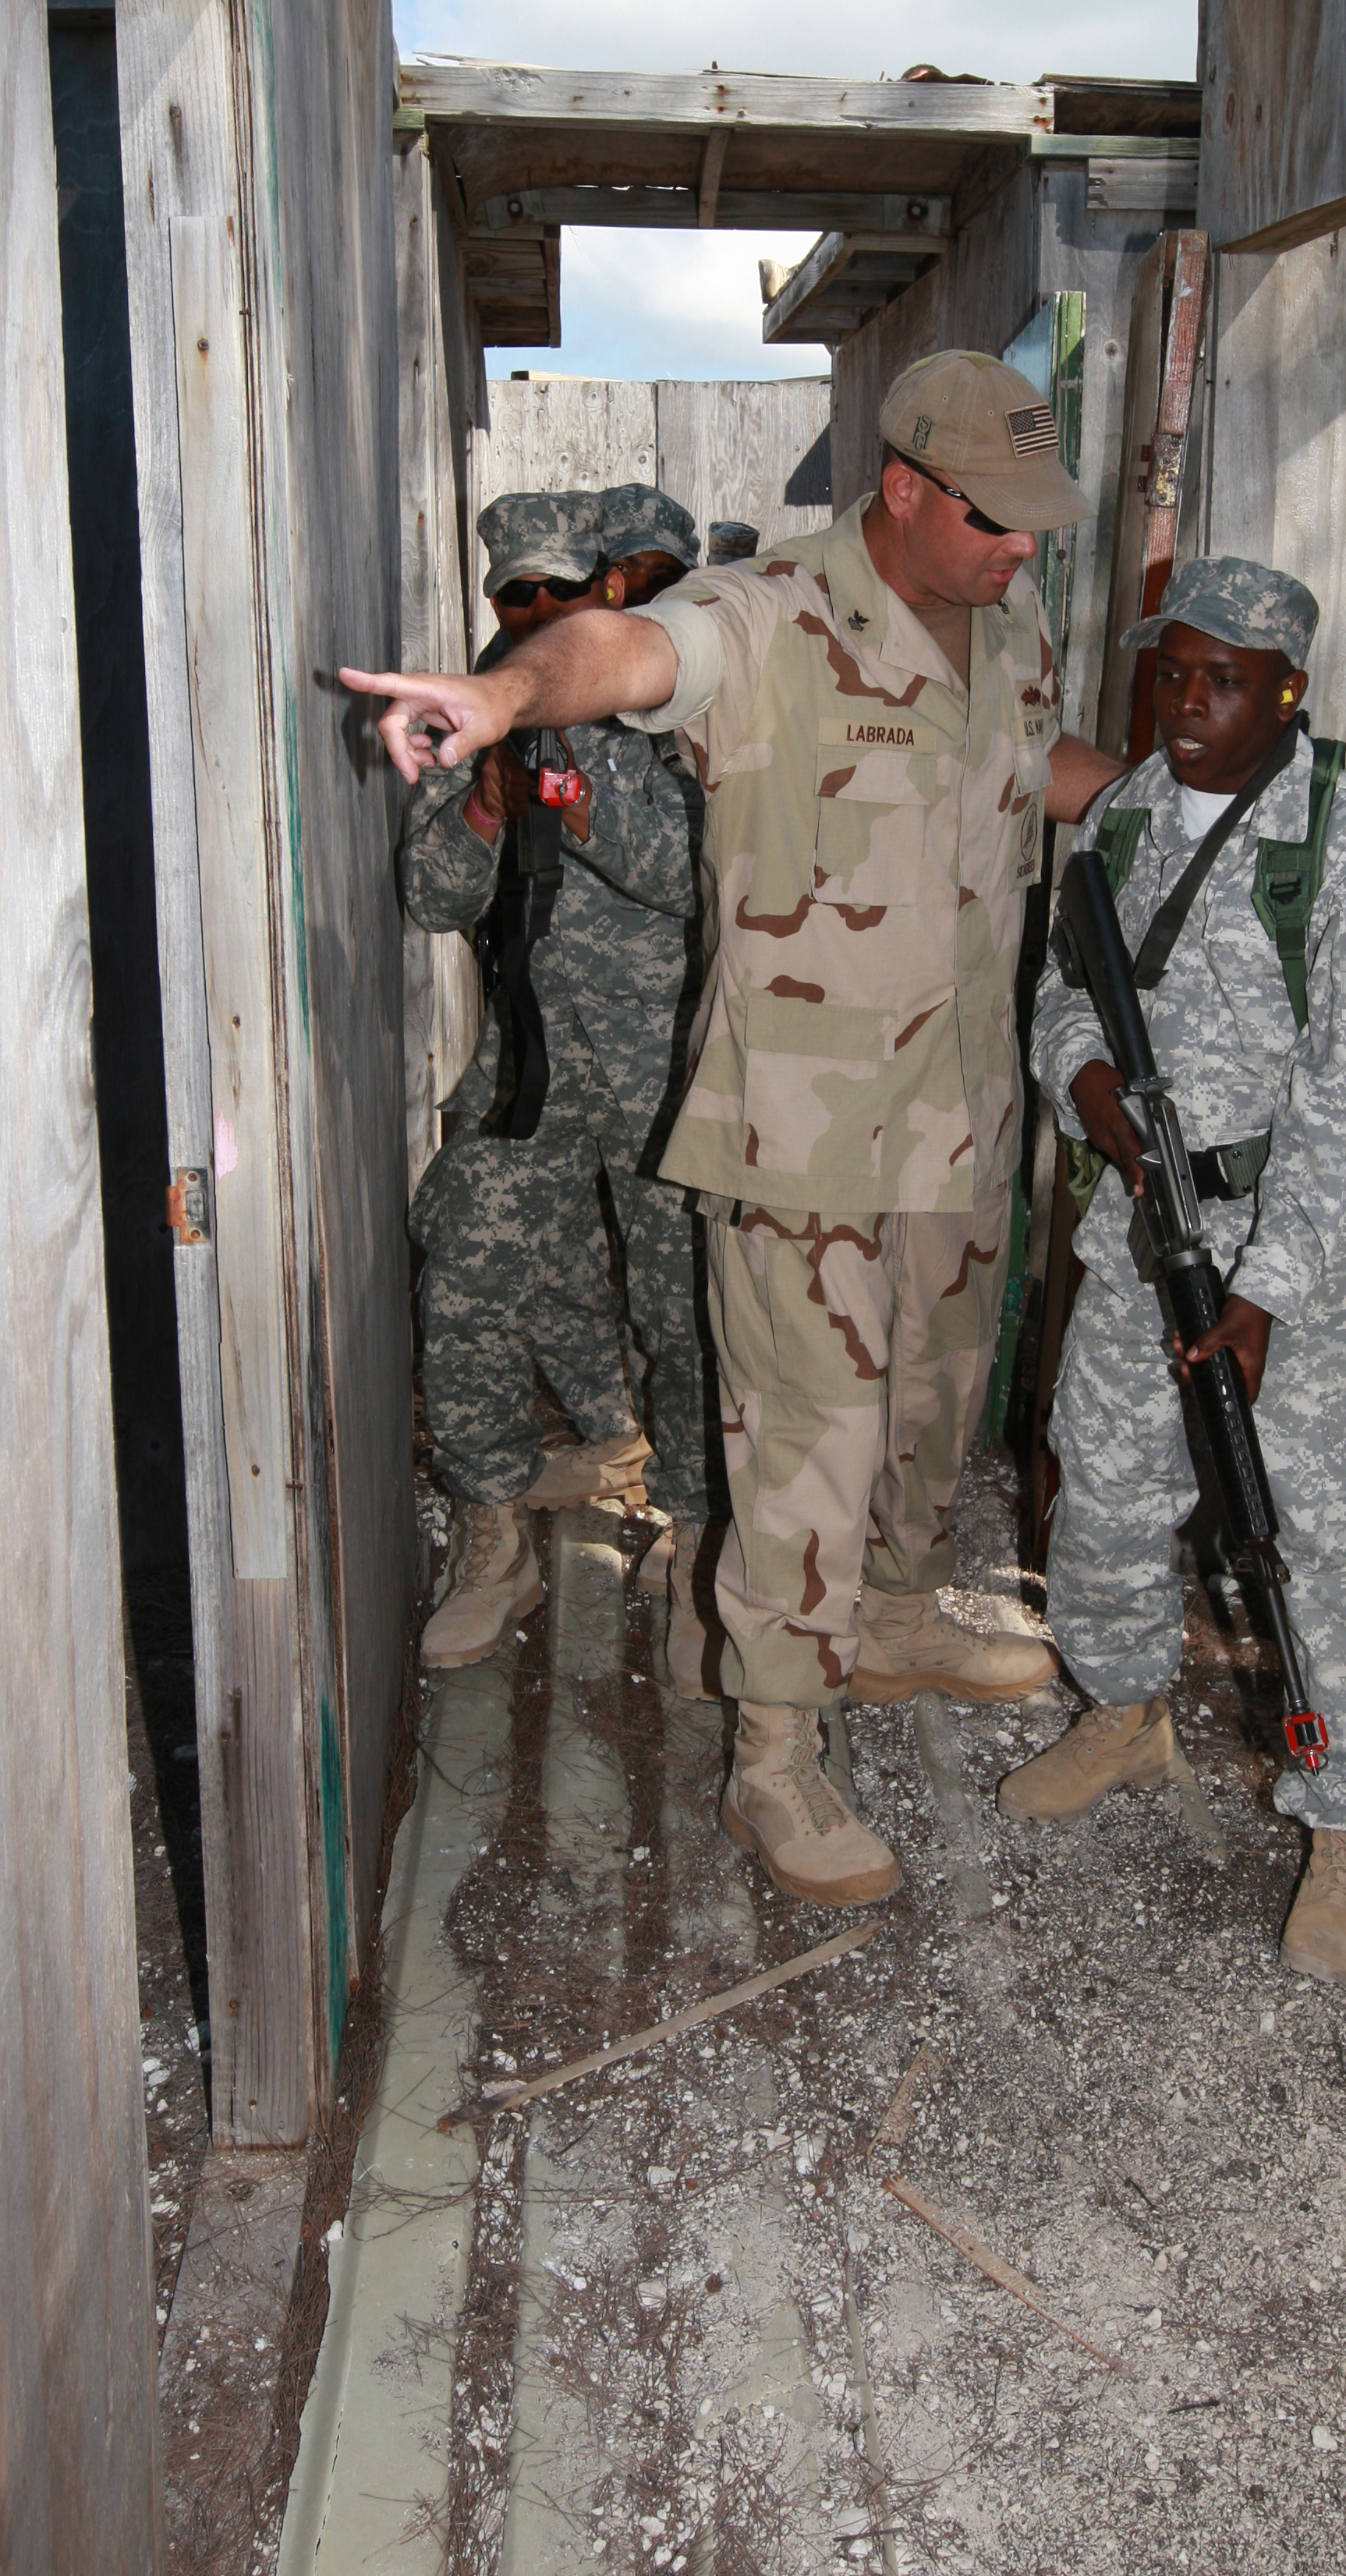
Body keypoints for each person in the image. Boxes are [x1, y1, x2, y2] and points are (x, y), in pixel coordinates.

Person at [345, 352, 1126, 1906]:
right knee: (802, 1451)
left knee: (934, 1410)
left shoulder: (1014, 612)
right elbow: (626, 656)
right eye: (994, 516)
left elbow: (1032, 773)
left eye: (1041, 521)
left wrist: (1176, 791)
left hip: (967, 1109)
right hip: (804, 1138)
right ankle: (777, 1758)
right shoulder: (771, 615)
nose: (1022, 546)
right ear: (902, 487)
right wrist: (505, 694)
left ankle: (895, 1616)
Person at [1007, 554, 1346, 1983]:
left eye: (1223, 681)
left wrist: (1265, 1297)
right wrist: (1086, 1089)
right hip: (1141, 1227)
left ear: (1289, 691)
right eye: (1170, 675)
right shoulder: (1122, 816)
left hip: (1282, 1258)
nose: (1188, 706)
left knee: (1313, 1535)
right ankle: (1124, 1714)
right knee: (1108, 1485)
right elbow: (1066, 988)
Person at [400, 485, 719, 1681]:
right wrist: (487, 799)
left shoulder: (667, 706)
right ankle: (493, 1535)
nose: (534, 613)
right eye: (513, 595)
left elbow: (692, 877)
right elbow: (431, 896)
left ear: (607, 595)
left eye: (559, 594)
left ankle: (697, 1540)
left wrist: (573, 794)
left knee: (685, 1307)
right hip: (529, 1066)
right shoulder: (472, 715)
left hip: (662, 1070)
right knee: (467, 1271)